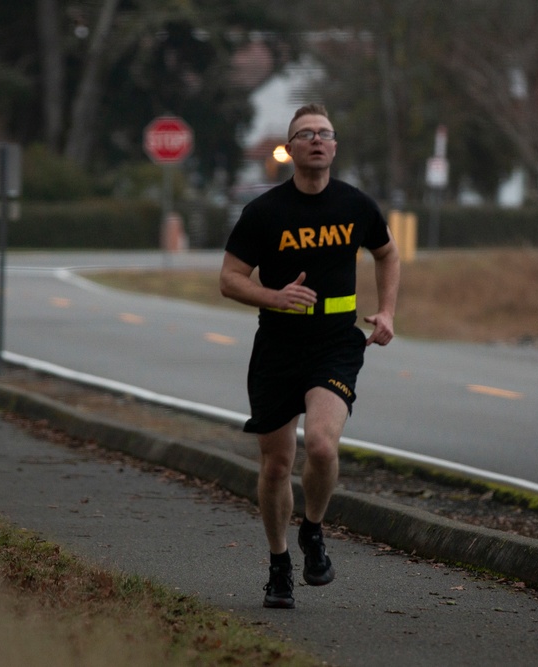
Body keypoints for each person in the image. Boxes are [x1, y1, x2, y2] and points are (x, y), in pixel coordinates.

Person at [220, 103, 400, 609]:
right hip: (277, 345)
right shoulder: (265, 212)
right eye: (306, 134)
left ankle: (313, 531)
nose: (317, 140)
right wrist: (273, 296)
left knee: (321, 446)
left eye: (325, 133)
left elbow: (387, 253)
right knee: (277, 465)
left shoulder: (356, 206)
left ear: (335, 146)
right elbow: (229, 279)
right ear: (291, 149)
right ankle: (279, 565)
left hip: (335, 344)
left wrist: (386, 311)